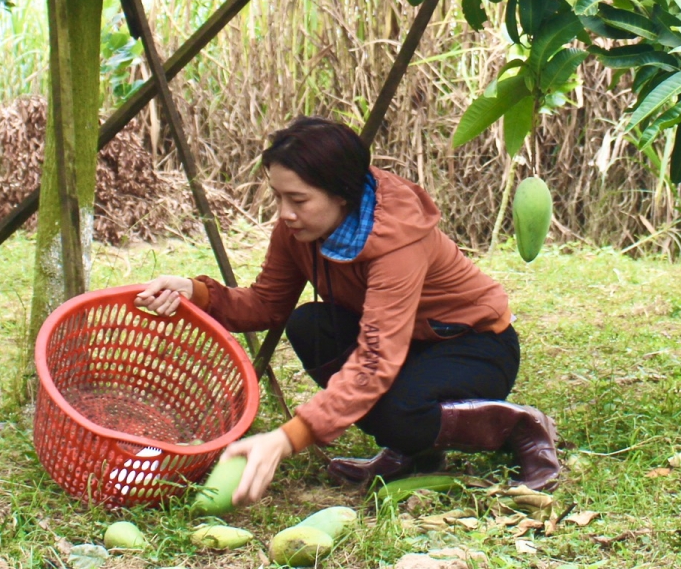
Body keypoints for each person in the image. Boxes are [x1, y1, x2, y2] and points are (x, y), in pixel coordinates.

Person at [135, 116, 561, 506]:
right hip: (404, 345)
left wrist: (286, 439)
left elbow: (374, 362)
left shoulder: (397, 241)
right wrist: (196, 293)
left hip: (471, 344)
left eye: (298, 199)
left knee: (398, 412)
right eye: (279, 197)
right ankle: (416, 451)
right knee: (309, 325)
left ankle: (518, 426)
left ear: (342, 195)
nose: (285, 213)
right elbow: (266, 304)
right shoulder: (297, 230)